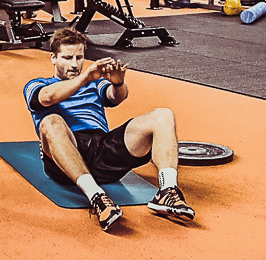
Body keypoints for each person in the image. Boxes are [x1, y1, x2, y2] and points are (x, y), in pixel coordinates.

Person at [24, 28, 194, 231]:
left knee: (163, 115)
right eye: (67, 58)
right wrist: (85, 78)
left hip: (103, 151)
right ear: (53, 58)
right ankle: (97, 197)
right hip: (66, 156)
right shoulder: (38, 84)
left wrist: (118, 82)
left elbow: (116, 97)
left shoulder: (94, 84)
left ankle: (167, 191)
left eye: (79, 57)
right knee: (50, 121)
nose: (74, 64)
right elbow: (47, 98)